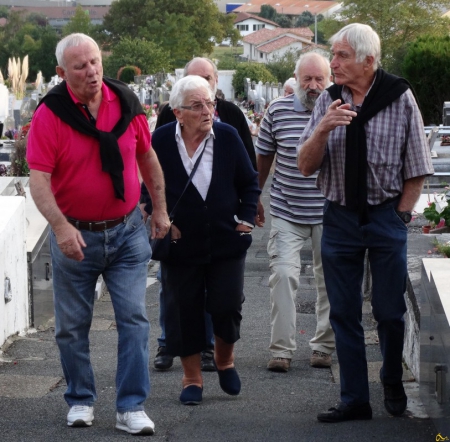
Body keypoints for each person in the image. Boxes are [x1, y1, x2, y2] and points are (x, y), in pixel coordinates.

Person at [26, 33, 171, 435]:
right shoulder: (50, 115)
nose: (91, 72)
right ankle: (81, 399)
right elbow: (38, 180)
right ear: (61, 73)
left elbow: (147, 156)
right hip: (75, 236)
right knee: (71, 327)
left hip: (126, 232)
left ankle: (131, 406)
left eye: (94, 62)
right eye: (80, 66)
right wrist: (60, 226)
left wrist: (159, 209)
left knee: (134, 319)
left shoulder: (124, 101)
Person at [297, 24, 434, 422]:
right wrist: (323, 127)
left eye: (341, 56)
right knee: (343, 312)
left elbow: (418, 166)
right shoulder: (329, 99)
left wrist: (401, 214)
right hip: (339, 218)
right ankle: (355, 398)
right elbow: (306, 165)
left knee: (390, 311)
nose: (333, 63)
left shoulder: (400, 97)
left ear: (368, 61)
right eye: (332, 55)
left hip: (384, 215)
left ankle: (391, 380)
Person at [141, 57, 257, 372]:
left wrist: (245, 222)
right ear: (178, 111)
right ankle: (178, 355)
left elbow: (248, 174)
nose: (207, 110)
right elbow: (149, 179)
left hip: (224, 233)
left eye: (209, 102)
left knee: (226, 302)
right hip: (180, 235)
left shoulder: (229, 122)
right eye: (198, 105)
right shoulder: (164, 132)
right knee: (180, 300)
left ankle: (220, 356)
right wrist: (158, 215)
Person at [255, 52, 335, 373]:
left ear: (329, 80)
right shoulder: (277, 110)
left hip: (329, 211)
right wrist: (253, 197)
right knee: (284, 274)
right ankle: (282, 350)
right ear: (297, 78)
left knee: (328, 279)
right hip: (287, 208)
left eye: (320, 79)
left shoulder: (341, 110)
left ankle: (323, 346)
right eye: (308, 79)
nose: (314, 86)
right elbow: (263, 158)